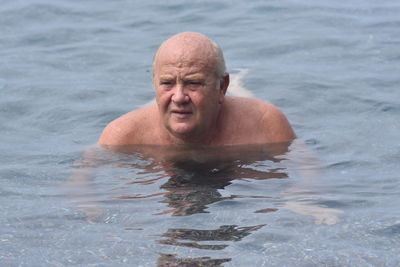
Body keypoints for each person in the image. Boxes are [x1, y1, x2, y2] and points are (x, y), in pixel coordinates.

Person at [98, 32, 295, 146]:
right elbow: (84, 189)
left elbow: (306, 180)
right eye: (166, 83)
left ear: (222, 87)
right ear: (154, 84)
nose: (179, 97)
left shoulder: (267, 126)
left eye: (194, 83)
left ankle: (237, 87)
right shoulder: (121, 137)